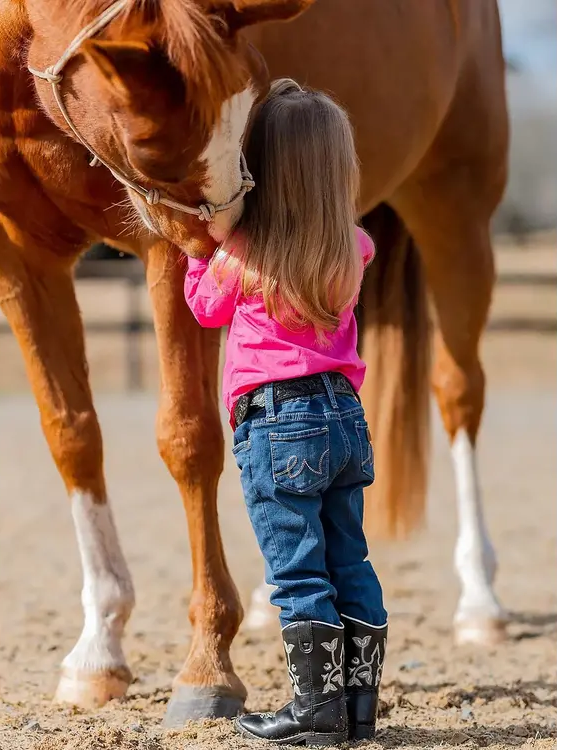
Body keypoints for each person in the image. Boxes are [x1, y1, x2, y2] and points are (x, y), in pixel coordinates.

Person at [184, 78, 388, 746]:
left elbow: (203, 309)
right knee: (349, 559)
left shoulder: (243, 255)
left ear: (260, 167)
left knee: (296, 568)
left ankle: (314, 710)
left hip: (277, 423)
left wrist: (199, 251)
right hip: (345, 418)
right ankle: (357, 708)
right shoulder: (354, 246)